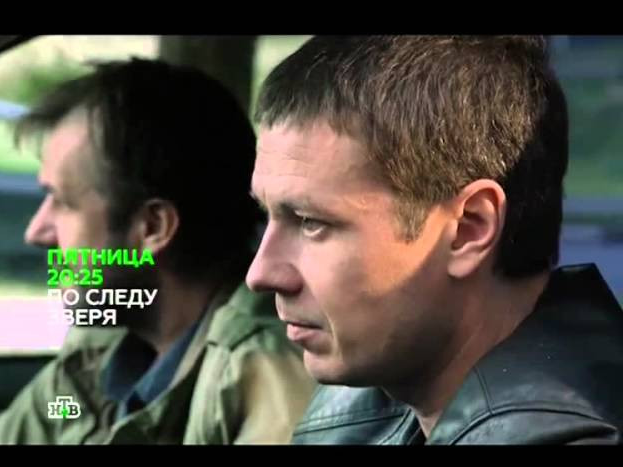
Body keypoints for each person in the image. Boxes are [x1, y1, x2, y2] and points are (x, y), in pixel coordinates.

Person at [245, 35, 623, 444]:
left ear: (469, 228)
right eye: (267, 216)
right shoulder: (364, 407)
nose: (260, 274)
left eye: (310, 222)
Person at [0, 58, 315, 444]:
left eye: (63, 202)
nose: (36, 233)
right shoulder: (93, 360)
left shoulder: (264, 381)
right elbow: (47, 420)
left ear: (152, 228)